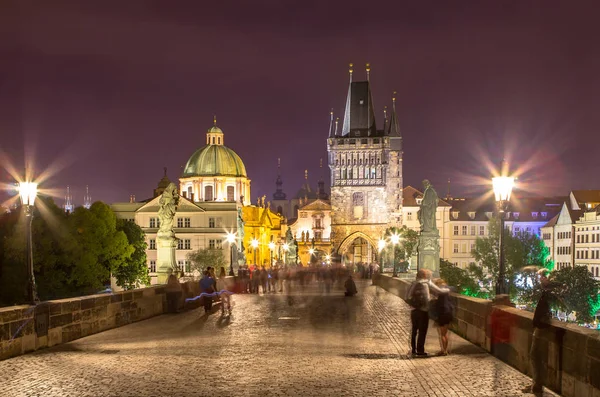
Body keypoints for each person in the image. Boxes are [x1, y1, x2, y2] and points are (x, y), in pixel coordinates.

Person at [528, 268, 558, 396]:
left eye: (541, 277)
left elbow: (546, 311)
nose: (539, 280)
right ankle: (536, 382)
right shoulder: (547, 292)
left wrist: (540, 321)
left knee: (536, 356)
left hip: (542, 329)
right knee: (535, 356)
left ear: (546, 279)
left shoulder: (549, 292)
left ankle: (538, 385)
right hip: (539, 327)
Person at [406, 269, 449, 357]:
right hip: (423, 311)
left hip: (414, 310)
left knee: (414, 331)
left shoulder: (413, 283)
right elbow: (439, 291)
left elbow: (406, 296)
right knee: (422, 331)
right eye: (429, 275)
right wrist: (448, 289)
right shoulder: (426, 283)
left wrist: (414, 304)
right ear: (425, 276)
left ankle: (413, 350)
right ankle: (420, 351)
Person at [431, 279, 453, 355]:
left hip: (442, 313)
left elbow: (436, 304)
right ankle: (445, 349)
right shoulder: (447, 292)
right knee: (445, 333)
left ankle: (443, 350)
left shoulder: (440, 293)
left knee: (442, 334)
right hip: (448, 313)